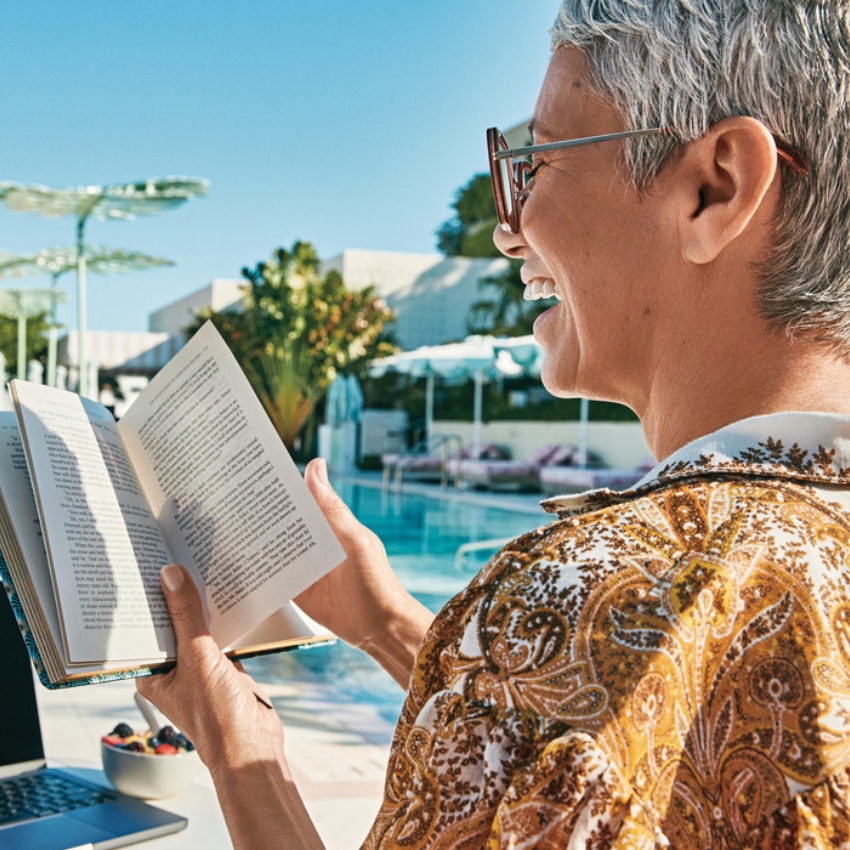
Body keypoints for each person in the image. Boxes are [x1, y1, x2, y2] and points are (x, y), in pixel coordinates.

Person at [138, 1, 850, 847]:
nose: (507, 231)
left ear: (713, 188)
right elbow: (579, 747)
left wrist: (238, 754)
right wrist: (391, 624)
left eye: (535, 163)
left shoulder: (595, 594)